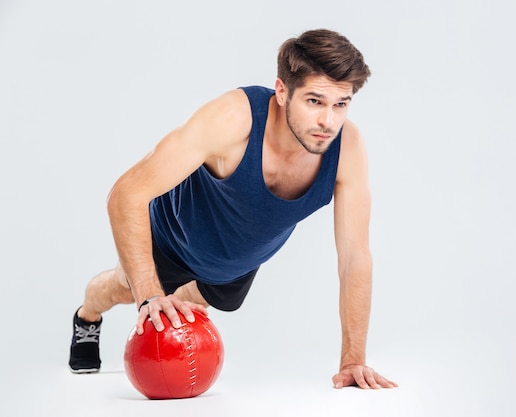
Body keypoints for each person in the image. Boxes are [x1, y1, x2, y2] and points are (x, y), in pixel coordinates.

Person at [69, 28, 397, 390]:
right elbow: (126, 193)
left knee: (186, 302)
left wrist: (353, 358)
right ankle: (87, 316)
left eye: (342, 104)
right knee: (121, 289)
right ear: (282, 91)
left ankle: (170, 295)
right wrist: (148, 292)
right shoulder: (232, 119)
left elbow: (355, 256)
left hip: (235, 264)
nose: (328, 122)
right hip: (173, 241)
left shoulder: (346, 148)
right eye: (315, 101)